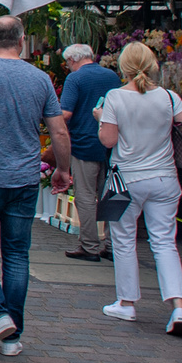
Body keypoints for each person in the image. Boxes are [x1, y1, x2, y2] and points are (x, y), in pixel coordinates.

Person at [0, 15, 72, 356]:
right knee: (17, 255)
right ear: (21, 40)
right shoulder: (40, 78)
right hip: (24, 177)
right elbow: (59, 131)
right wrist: (62, 169)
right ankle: (12, 336)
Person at [98, 42, 182, 337]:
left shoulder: (115, 97)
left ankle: (127, 302)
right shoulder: (169, 97)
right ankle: (178, 306)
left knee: (124, 240)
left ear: (123, 66)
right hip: (164, 179)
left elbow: (107, 141)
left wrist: (99, 119)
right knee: (165, 243)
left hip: (127, 180)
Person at [59, 43, 121, 262]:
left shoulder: (75, 79)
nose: (68, 67)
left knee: (85, 196)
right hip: (110, 143)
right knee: (110, 194)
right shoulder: (112, 76)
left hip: (84, 142)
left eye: (67, 63)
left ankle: (89, 245)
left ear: (73, 60)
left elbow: (65, 113)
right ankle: (114, 245)